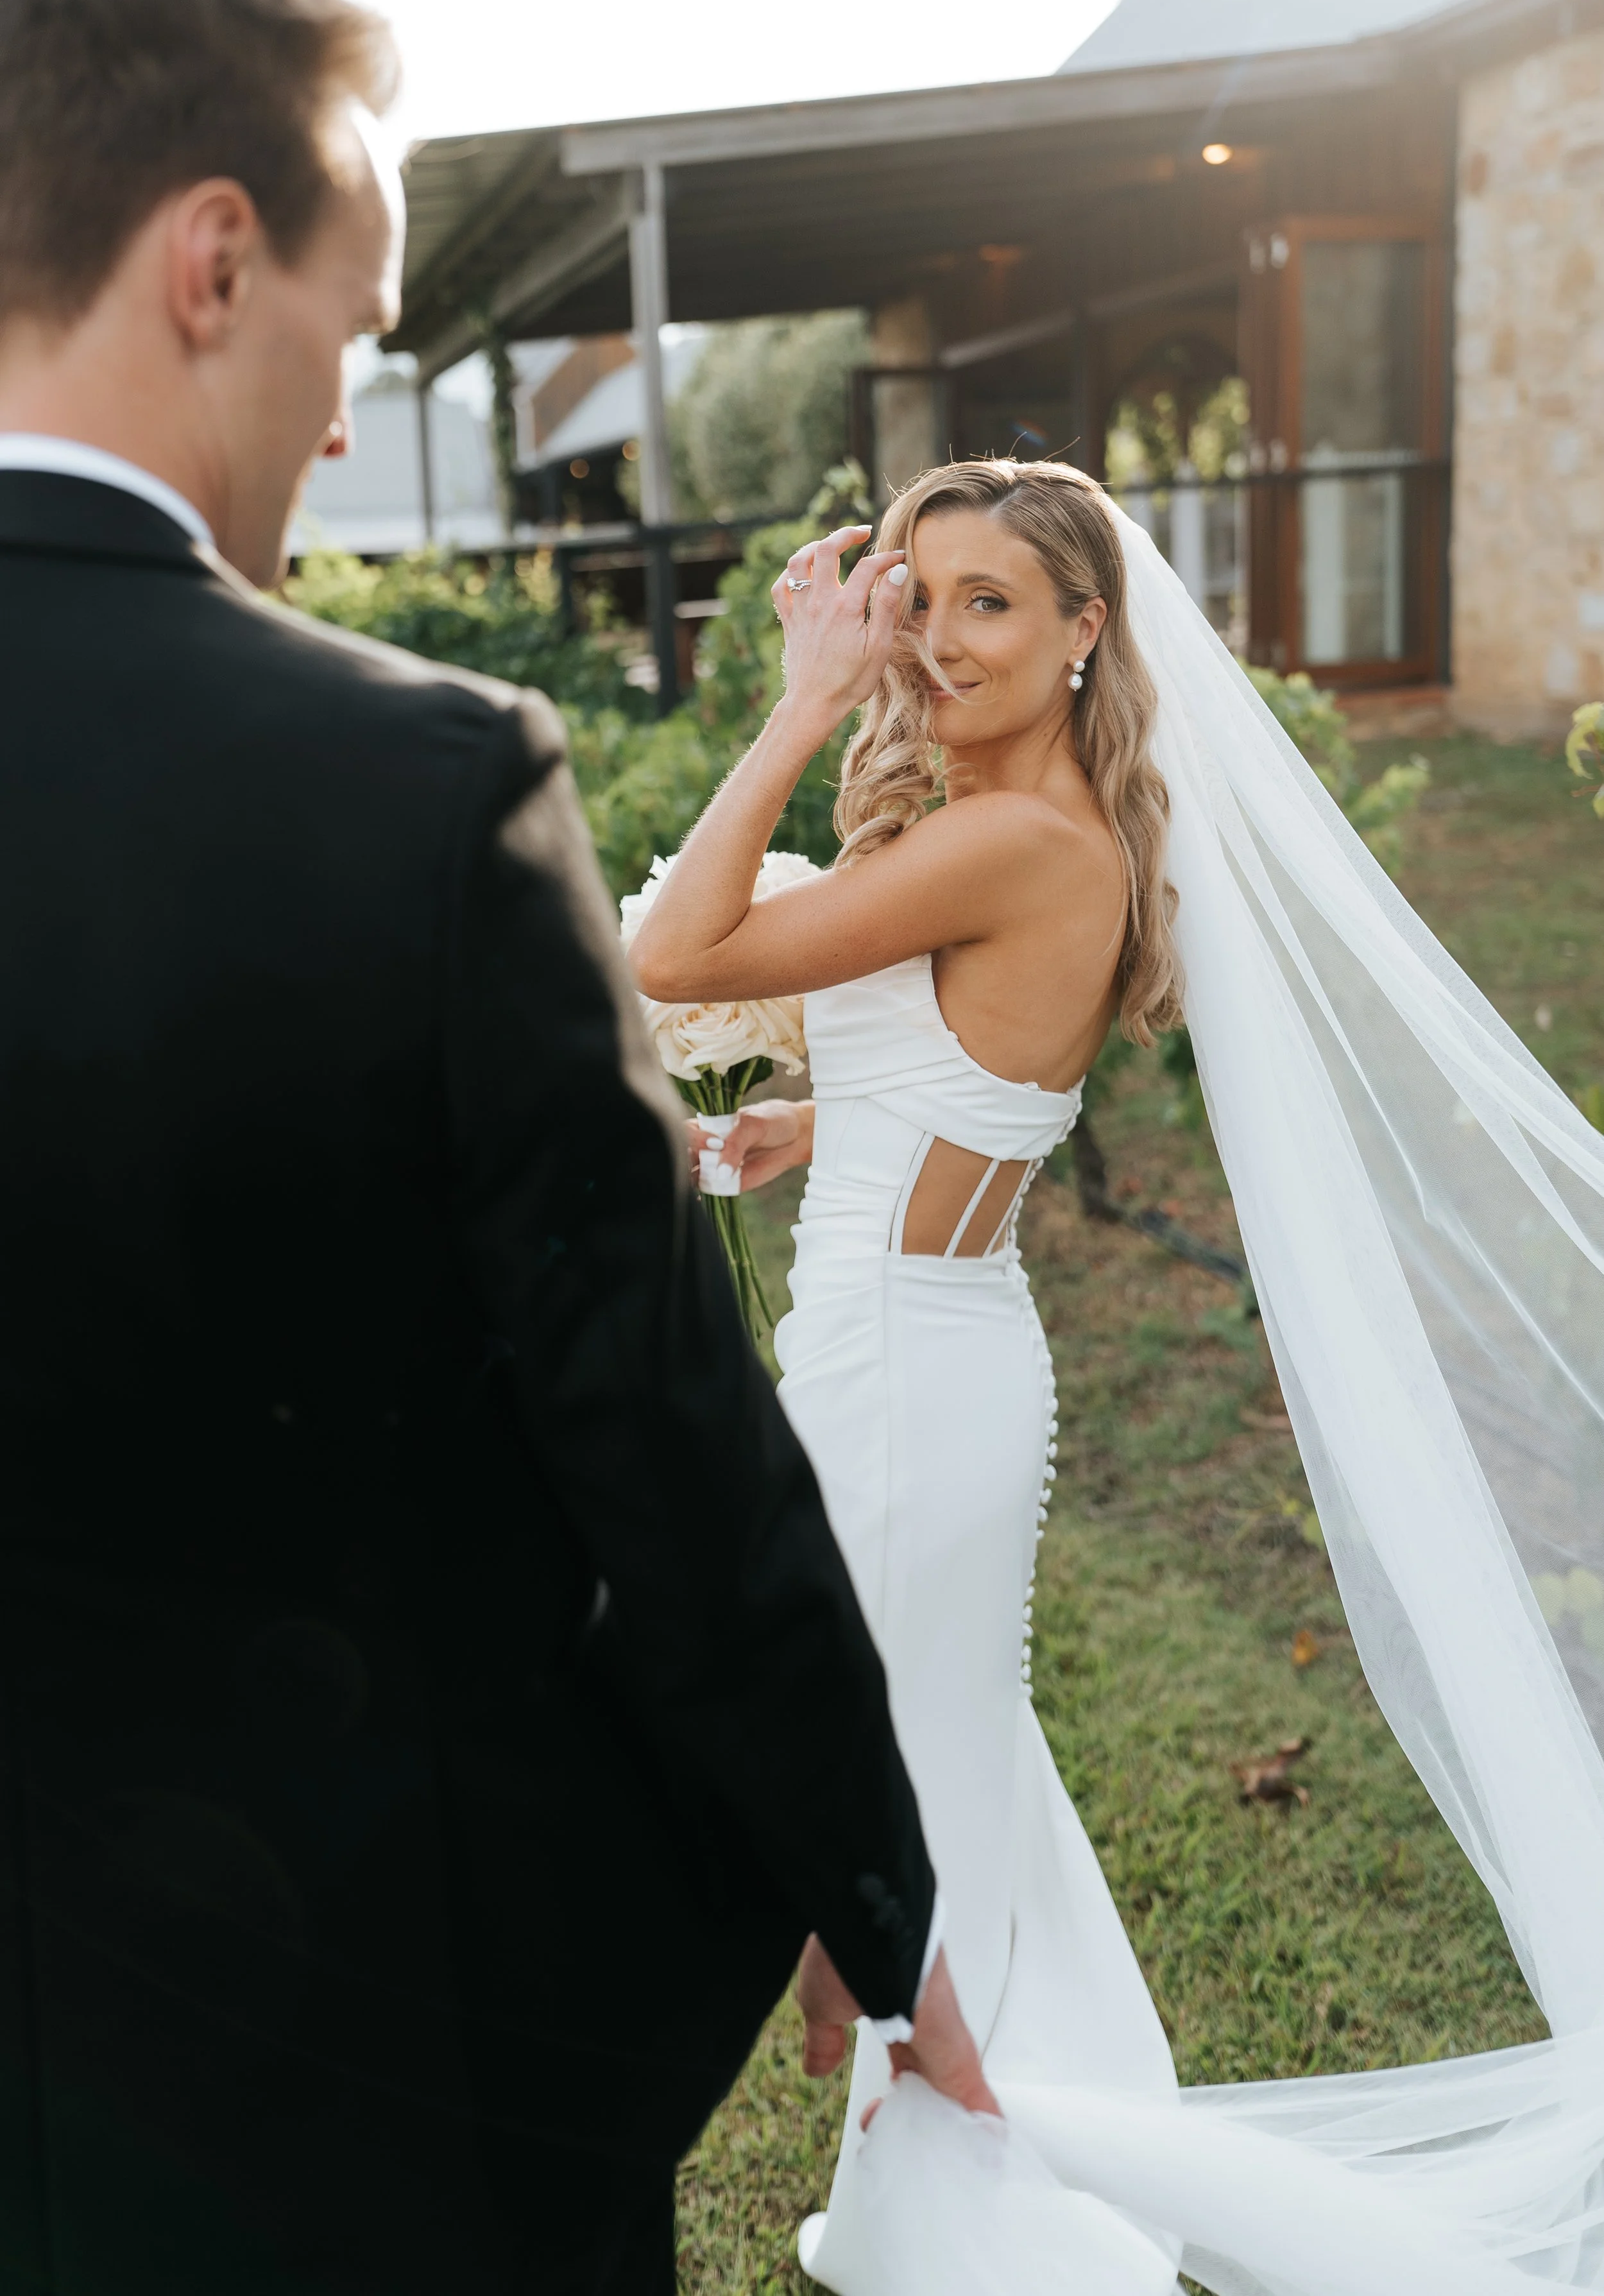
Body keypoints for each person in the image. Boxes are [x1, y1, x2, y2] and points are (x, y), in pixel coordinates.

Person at [0, 0, 991, 2295]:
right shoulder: (414, 788)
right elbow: (662, 1435)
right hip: (337, 2074)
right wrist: (872, 1891)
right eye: (356, 329)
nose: (349, 414)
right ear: (213, 259)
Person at [629, 459, 1604, 2293]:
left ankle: (1006, 2210)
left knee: (872, 1798)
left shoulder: (1011, 836)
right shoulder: (1022, 822)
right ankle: (962, 2204)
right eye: (912, 596)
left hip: (910, 1376)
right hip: (924, 1339)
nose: (935, 634)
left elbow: (678, 951)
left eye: (987, 598)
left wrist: (801, 699)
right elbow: (981, 1080)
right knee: (955, 1787)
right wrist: (811, 1131)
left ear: (1090, 628)